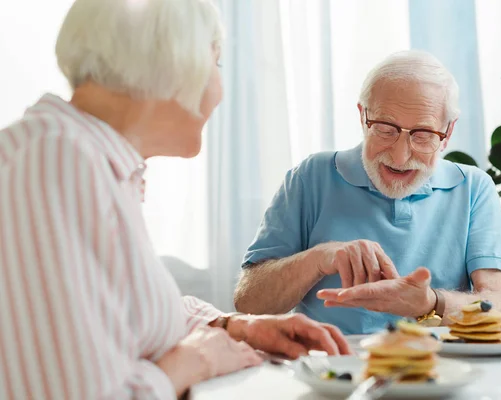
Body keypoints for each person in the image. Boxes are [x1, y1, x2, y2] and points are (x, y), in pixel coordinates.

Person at [0, 0, 350, 399]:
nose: (219, 93)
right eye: (217, 64)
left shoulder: (83, 159)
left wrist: (235, 328)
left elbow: (125, 310)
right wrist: (194, 360)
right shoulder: (57, 161)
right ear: (179, 61)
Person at [234, 51, 501, 335]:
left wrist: (430, 302)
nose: (399, 157)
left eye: (422, 134)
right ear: (363, 117)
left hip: (439, 366)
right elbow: (250, 302)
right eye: (385, 129)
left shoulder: (473, 187)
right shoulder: (310, 177)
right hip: (332, 363)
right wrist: (319, 258)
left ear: (448, 132)